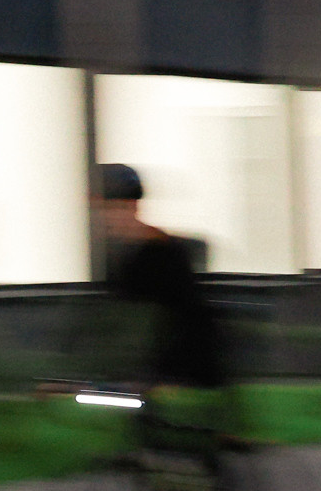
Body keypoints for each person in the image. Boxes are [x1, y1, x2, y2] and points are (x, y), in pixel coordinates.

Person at [91, 162, 232, 407]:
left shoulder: (161, 256)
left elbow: (188, 326)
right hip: (148, 378)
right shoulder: (119, 257)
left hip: (173, 379)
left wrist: (163, 380)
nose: (105, 218)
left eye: (111, 208)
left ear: (131, 206)